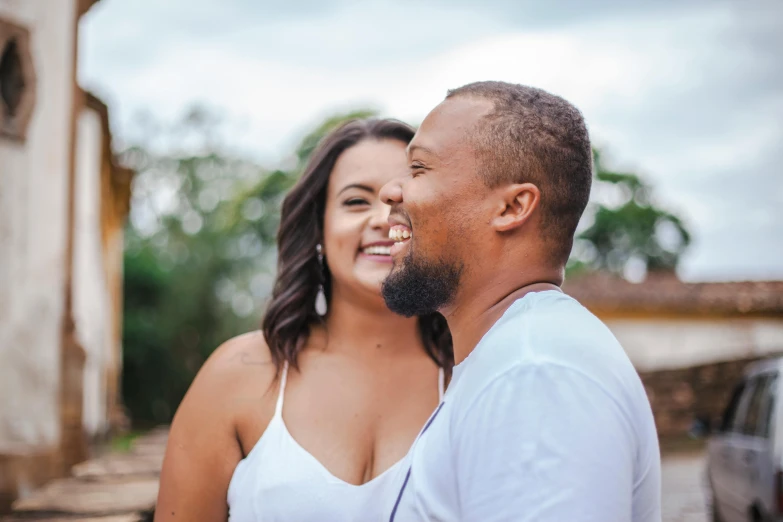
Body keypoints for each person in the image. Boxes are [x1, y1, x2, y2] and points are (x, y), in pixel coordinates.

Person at [379, 81, 661, 522]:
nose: (390, 192)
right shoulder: (518, 357)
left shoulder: (533, 375)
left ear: (512, 207)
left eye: (418, 168)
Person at [155, 119, 452, 522]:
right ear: (319, 227)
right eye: (356, 201)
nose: (384, 218)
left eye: (403, 199)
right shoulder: (236, 376)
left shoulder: (474, 378)